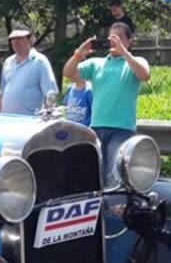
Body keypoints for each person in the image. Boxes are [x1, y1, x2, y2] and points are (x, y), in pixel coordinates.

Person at [64, 22, 151, 187]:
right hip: (96, 127)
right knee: (95, 176)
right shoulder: (96, 63)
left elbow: (144, 75)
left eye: (118, 38)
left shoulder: (135, 61)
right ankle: (101, 210)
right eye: (111, 38)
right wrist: (79, 54)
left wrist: (124, 52)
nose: (113, 42)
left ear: (129, 41)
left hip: (121, 129)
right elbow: (68, 73)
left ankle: (114, 210)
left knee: (115, 176)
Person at [0, 27, 57, 115]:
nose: (15, 42)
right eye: (13, 39)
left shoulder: (40, 62)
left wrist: (47, 117)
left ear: (30, 40)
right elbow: (2, 92)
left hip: (29, 121)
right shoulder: (8, 62)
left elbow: (50, 93)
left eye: (20, 38)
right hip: (6, 119)